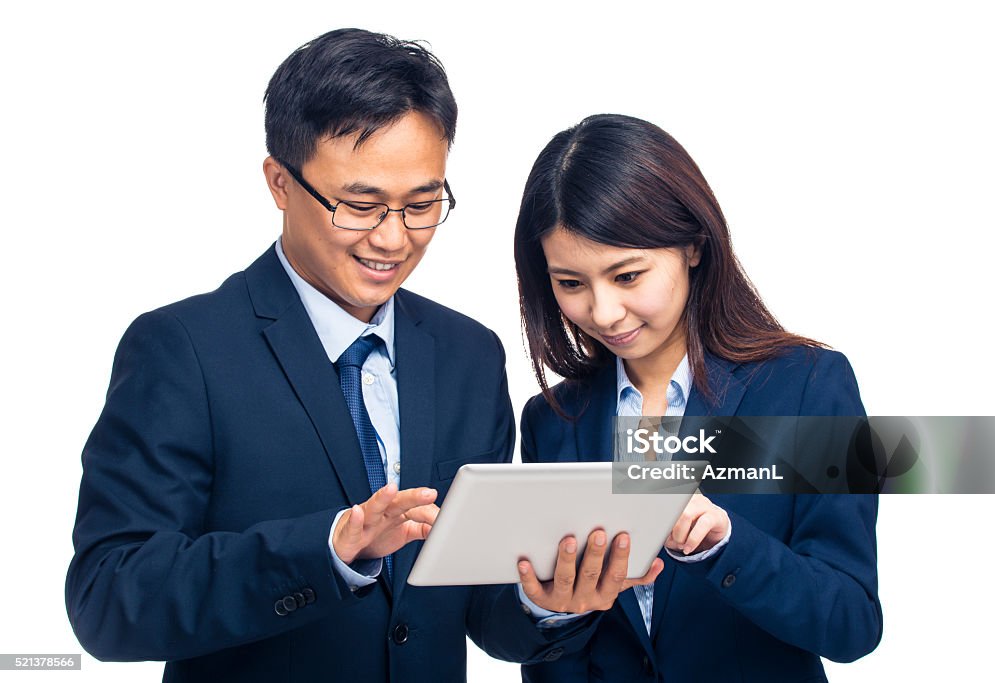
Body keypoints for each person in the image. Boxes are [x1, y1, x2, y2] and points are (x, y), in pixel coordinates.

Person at [65, 29, 604, 682]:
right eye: (360, 204)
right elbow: (108, 599)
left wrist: (541, 600)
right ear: (280, 183)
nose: (392, 237)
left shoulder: (468, 354)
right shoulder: (184, 350)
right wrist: (329, 550)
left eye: (422, 204)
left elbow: (475, 602)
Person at [512, 114, 883, 682]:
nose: (604, 313)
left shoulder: (807, 386)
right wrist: (551, 613)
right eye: (571, 284)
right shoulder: (552, 420)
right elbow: (557, 658)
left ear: (692, 245)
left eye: (628, 276)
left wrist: (726, 546)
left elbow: (851, 622)